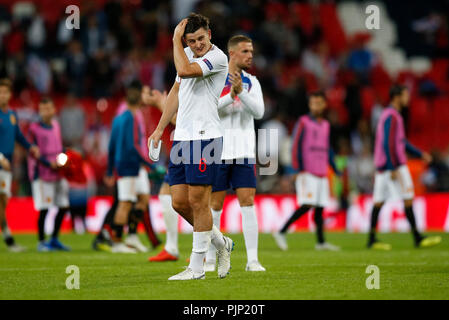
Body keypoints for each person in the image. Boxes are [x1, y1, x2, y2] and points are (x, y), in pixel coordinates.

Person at [148, 13, 233, 280]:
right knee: (179, 202)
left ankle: (196, 269)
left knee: (198, 201)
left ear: (210, 33)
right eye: (191, 40)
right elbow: (176, 91)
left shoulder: (218, 58)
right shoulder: (184, 54)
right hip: (182, 137)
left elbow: (185, 71)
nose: (197, 44)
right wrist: (161, 128)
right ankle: (222, 244)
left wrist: (175, 39)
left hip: (205, 137)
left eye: (201, 38)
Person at [205, 35, 265, 272]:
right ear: (232, 53)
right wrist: (231, 95)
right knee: (215, 206)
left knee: (247, 203)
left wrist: (242, 93)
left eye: (251, 51)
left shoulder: (253, 82)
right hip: (218, 151)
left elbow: (259, 112)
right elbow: (209, 110)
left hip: (244, 153)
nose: (250, 55)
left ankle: (252, 261)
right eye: (245, 51)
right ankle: (211, 258)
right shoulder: (215, 80)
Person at [368, 85, 442, 250]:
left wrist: (419, 153)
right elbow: (388, 143)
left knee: (380, 201)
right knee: (405, 198)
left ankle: (372, 239)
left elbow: (400, 142)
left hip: (385, 166)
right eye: (405, 95)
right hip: (393, 166)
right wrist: (393, 167)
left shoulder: (390, 115)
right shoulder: (392, 116)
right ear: (396, 97)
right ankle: (416, 238)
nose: (408, 98)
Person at [273, 91, 341, 251]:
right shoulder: (303, 122)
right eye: (313, 103)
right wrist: (296, 169)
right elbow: (295, 145)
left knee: (320, 207)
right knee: (308, 204)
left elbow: (327, 149)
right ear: (310, 105)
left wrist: (335, 168)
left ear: (324, 105)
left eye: (319, 103)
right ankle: (281, 231)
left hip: (322, 171)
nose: (316, 106)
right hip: (307, 171)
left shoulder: (325, 124)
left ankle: (321, 242)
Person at [105, 80, 156, 253]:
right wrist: (150, 164)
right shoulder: (131, 118)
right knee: (125, 202)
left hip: (129, 165)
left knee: (143, 198)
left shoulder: (119, 118)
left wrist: (109, 168)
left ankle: (132, 236)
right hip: (128, 164)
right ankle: (117, 241)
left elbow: (111, 145)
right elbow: (131, 146)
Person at [0, 78, 40, 252]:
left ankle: (7, 235)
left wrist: (30, 147)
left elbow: (19, 136)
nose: (3, 95)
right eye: (0, 92)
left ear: (10, 94)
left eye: (5, 92)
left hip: (6, 165)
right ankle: (8, 238)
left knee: (3, 200)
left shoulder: (12, 115)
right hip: (2, 161)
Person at [28, 97, 70, 251]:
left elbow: (59, 147)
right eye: (42, 109)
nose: (46, 112)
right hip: (42, 173)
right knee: (44, 208)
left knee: (63, 206)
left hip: (58, 173)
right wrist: (48, 164)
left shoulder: (56, 126)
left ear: (54, 110)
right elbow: (33, 152)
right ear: (39, 111)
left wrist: (64, 156)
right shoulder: (34, 128)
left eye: (48, 108)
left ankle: (54, 239)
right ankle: (41, 242)